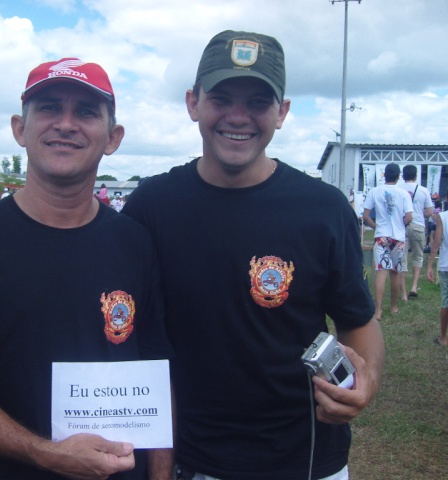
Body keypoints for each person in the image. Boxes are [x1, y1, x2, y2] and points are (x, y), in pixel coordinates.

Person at [122, 30, 384, 480]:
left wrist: (367, 381)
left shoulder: (322, 209)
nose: (238, 117)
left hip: (304, 458)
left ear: (281, 113)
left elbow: (358, 321)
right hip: (189, 457)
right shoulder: (151, 206)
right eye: (221, 98)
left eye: (259, 103)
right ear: (193, 103)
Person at [0, 57, 173, 479]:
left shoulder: (136, 243)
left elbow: (158, 369)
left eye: (86, 112)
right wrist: (44, 452)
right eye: (49, 107)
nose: (66, 124)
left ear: (112, 137)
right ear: (19, 128)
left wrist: (160, 475)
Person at [363, 163, 413, 320]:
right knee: (395, 273)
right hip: (397, 237)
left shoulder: (374, 191)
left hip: (381, 236)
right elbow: (409, 217)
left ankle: (378, 310)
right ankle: (393, 306)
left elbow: (365, 216)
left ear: (384, 175)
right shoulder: (403, 194)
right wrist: (400, 224)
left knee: (380, 272)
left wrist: (376, 226)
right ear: (399, 176)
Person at [399, 165, 433, 299]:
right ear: (416, 175)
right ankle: (413, 286)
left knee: (402, 259)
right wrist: (419, 213)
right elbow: (430, 211)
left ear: (403, 175)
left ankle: (403, 293)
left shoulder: (398, 189)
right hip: (418, 225)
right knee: (418, 256)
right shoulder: (423, 191)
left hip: (401, 226)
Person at [426, 209, 448, 346]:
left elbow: (436, 242)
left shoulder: (443, 217)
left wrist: (429, 265)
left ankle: (443, 337)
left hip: (446, 265)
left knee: (446, 301)